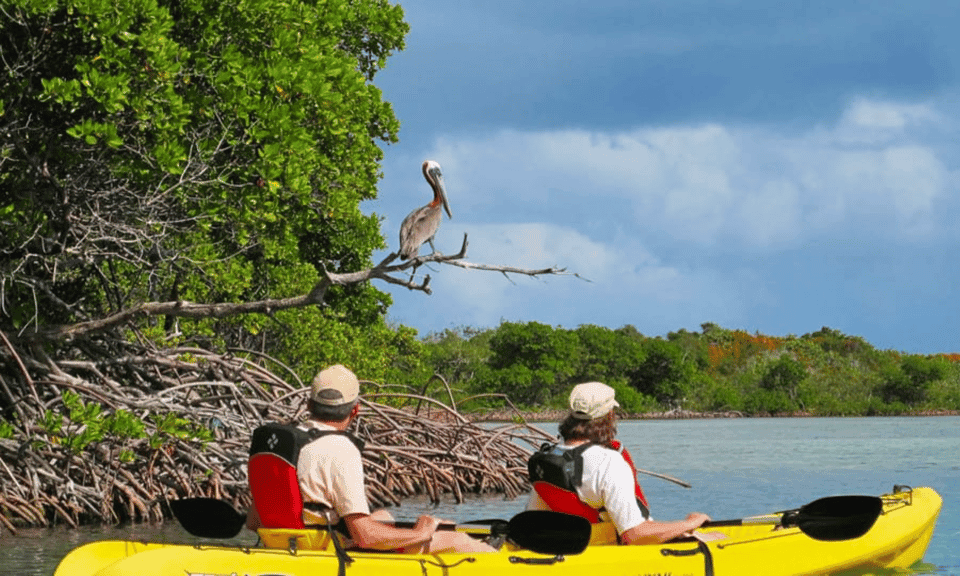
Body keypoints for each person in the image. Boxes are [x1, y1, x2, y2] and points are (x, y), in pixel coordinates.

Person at [247, 364, 495, 554]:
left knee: (386, 516)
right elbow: (366, 537)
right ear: (355, 410)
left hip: (287, 540)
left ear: (309, 405)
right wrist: (422, 532)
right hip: (324, 549)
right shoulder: (340, 449)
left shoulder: (283, 444)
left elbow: (254, 522)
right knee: (459, 540)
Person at [526, 381, 713, 545]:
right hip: (613, 554)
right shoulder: (608, 462)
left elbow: (532, 518)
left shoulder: (548, 459)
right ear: (609, 416)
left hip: (577, 549)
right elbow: (634, 535)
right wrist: (689, 524)